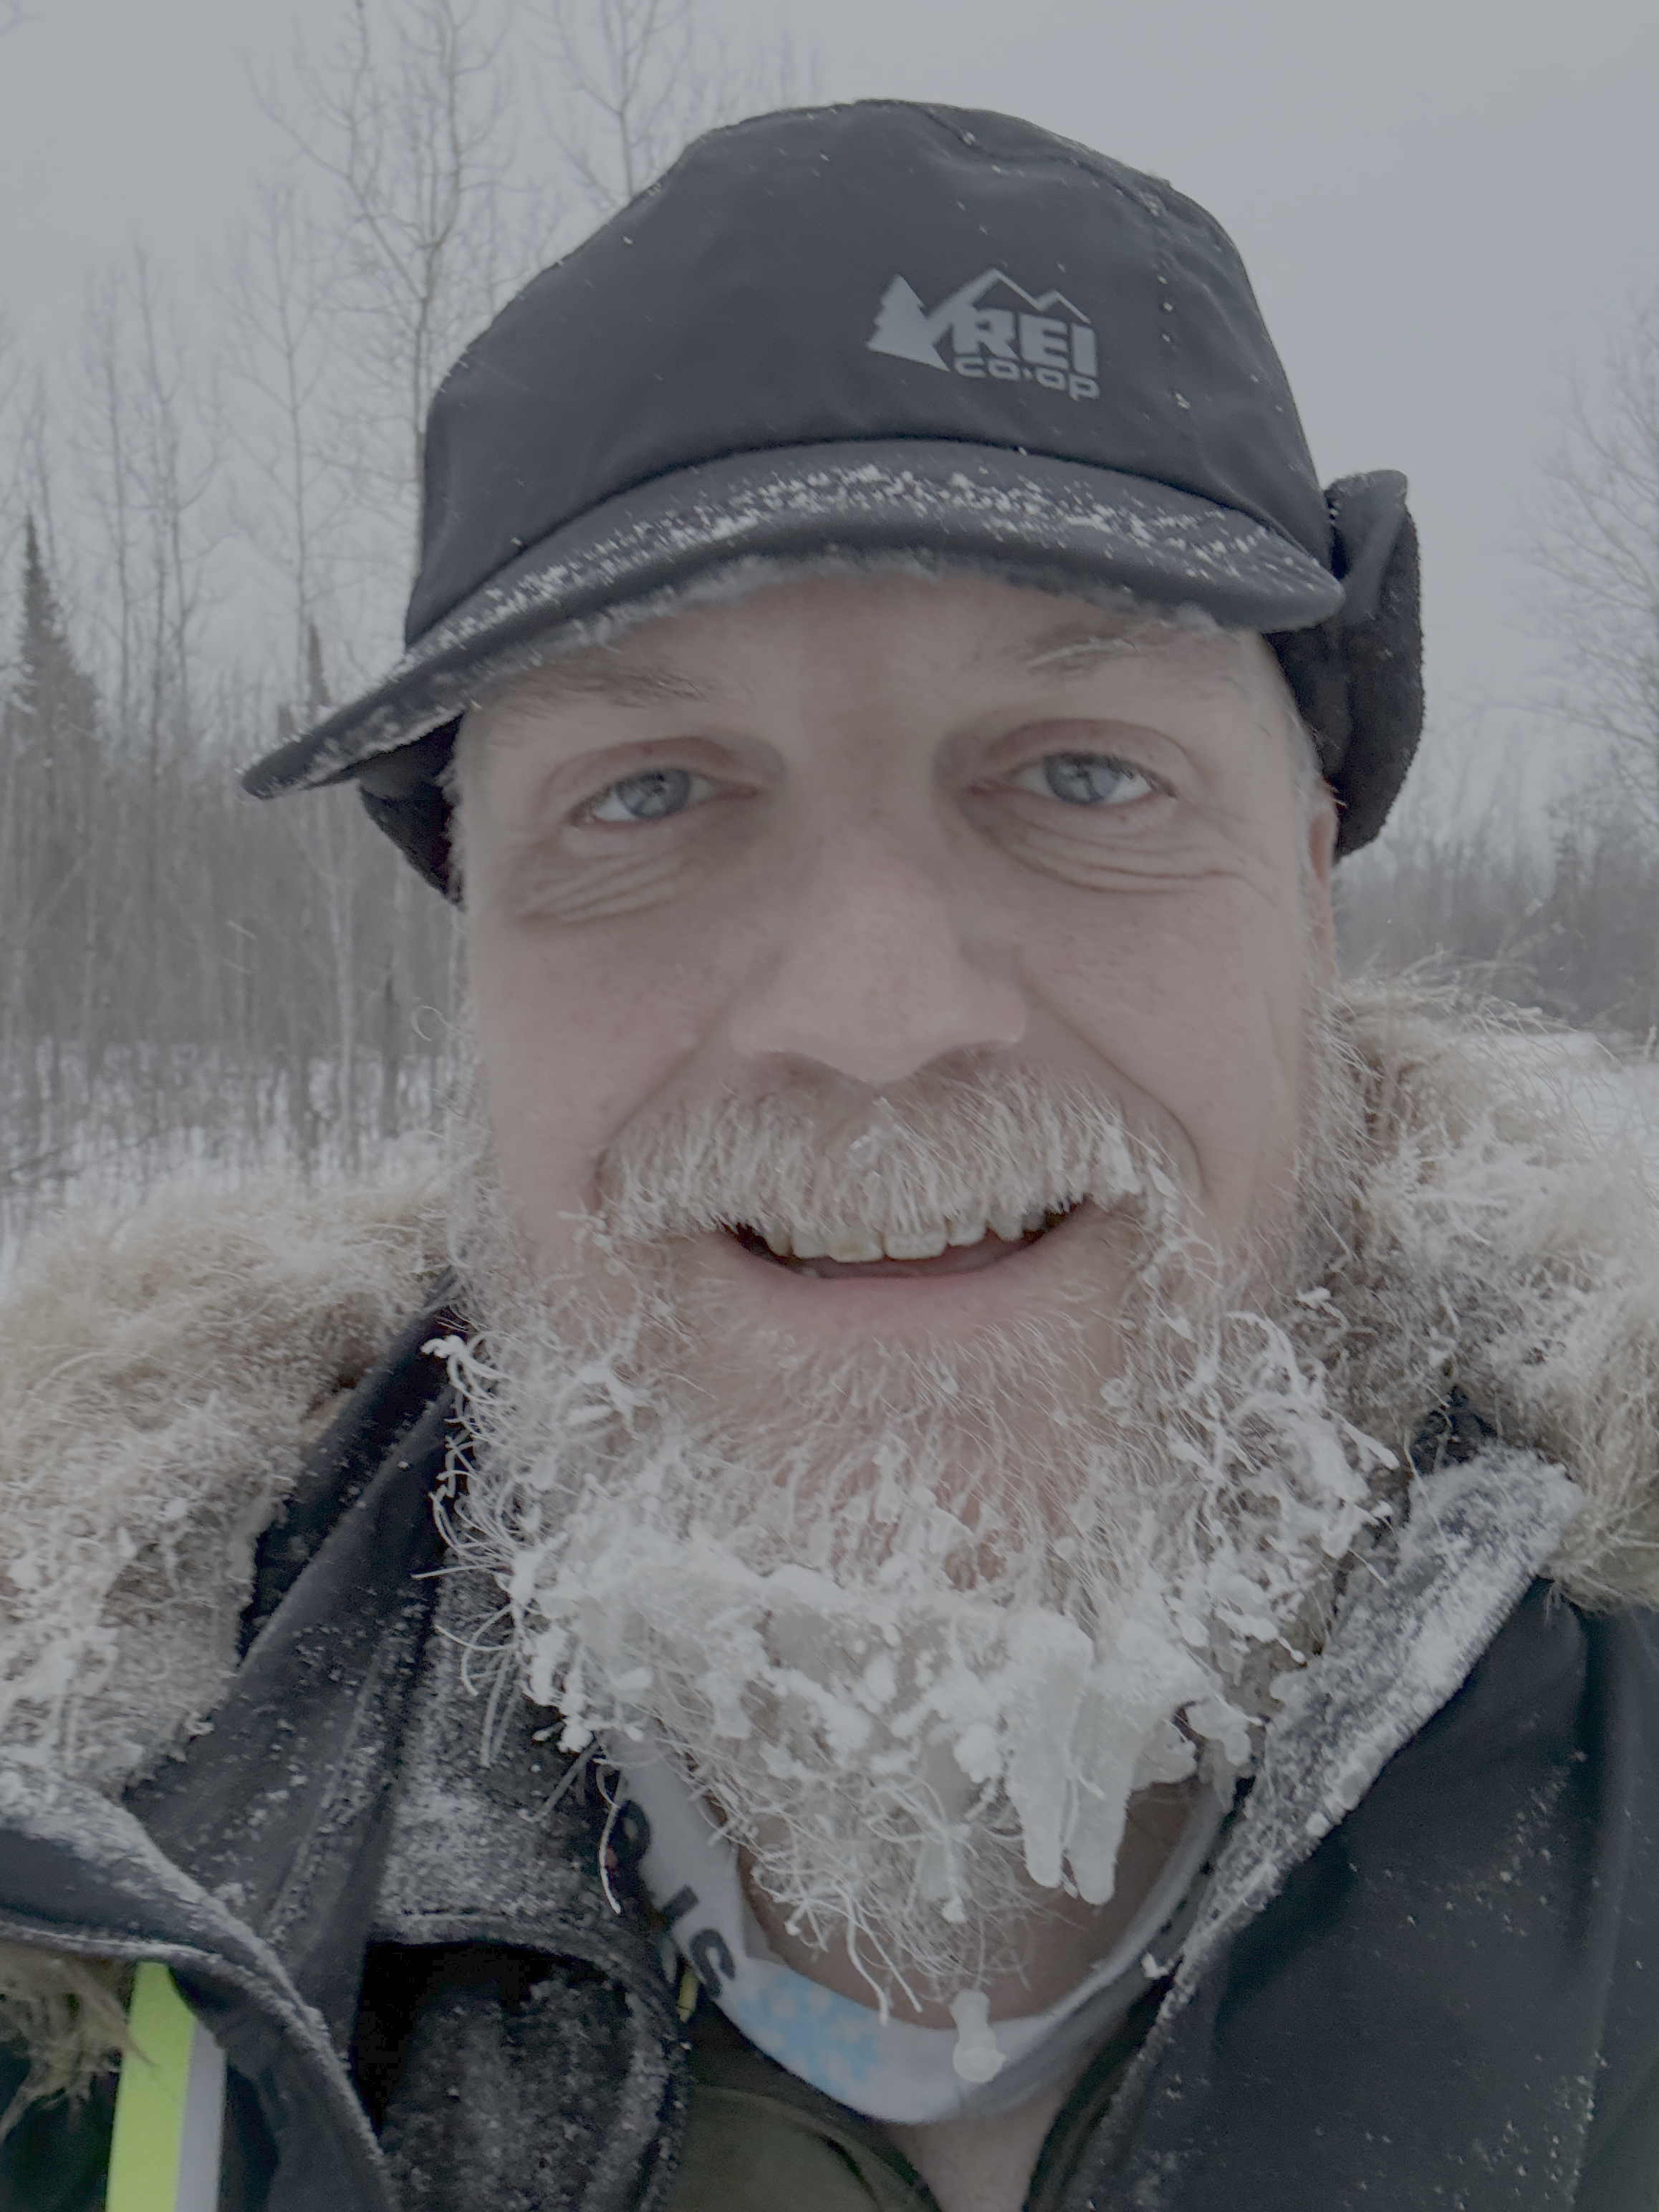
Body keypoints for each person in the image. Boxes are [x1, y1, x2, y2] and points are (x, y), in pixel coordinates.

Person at [2, 98, 1658, 2212]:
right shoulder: (70, 1905)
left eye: (1084, 772)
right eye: (648, 793)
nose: (877, 1012)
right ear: (475, 944)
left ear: (1312, 884)